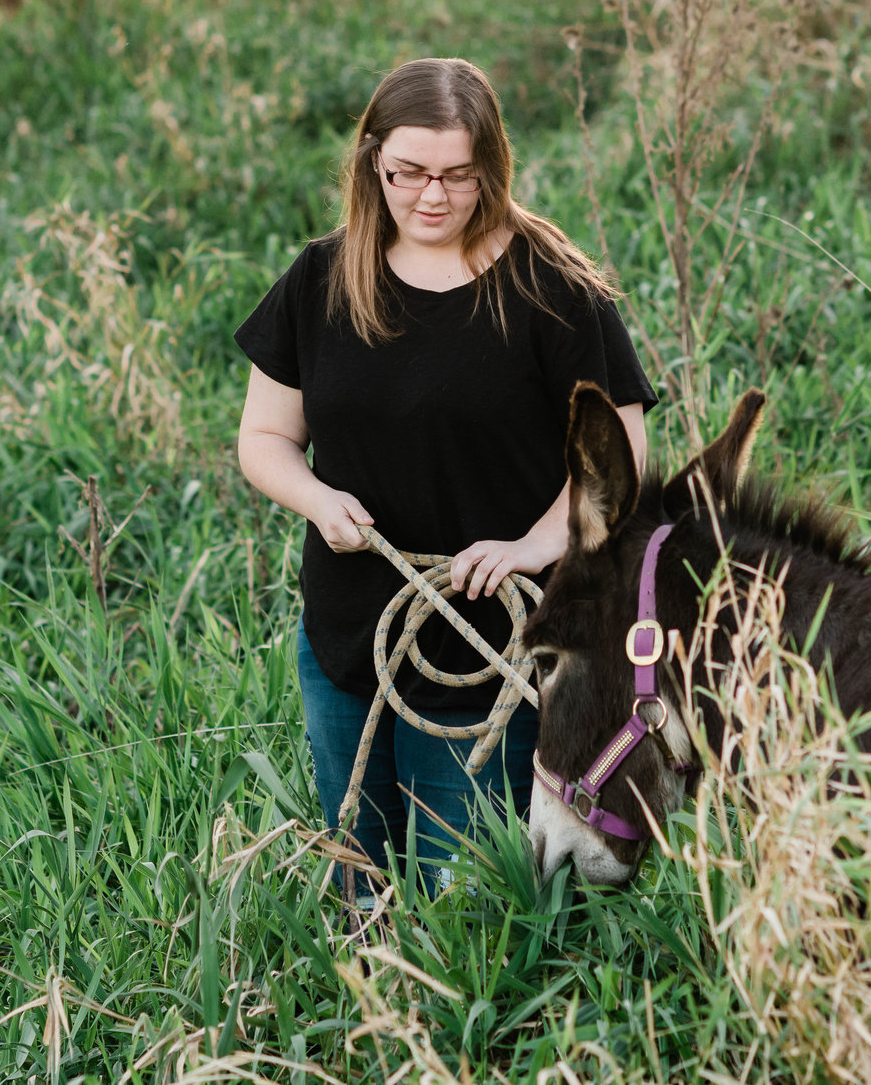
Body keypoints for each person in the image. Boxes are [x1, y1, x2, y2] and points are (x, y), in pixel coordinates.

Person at [235, 57, 654, 896]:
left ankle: (467, 1023)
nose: (432, 196)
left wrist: (538, 542)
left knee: (460, 892)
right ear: (372, 162)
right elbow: (264, 436)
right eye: (409, 174)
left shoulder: (552, 290)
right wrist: (315, 498)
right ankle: (371, 1021)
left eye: (458, 176)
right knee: (359, 873)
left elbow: (622, 453)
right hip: (352, 629)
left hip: (487, 642)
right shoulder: (323, 278)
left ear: (490, 167)